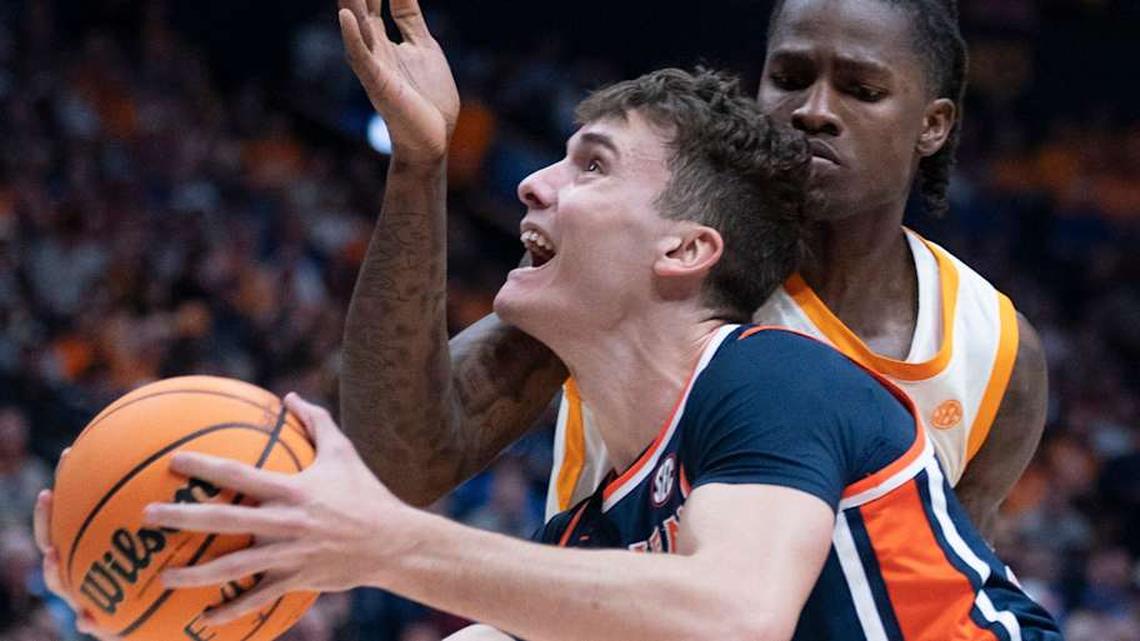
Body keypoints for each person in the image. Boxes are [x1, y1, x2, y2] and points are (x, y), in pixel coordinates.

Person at [47, 64, 1061, 641]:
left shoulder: (771, 378)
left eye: (590, 164)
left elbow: (735, 614)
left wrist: (383, 542)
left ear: (684, 249)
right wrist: (136, 602)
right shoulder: (599, 545)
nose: (530, 183)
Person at [338, 0, 1048, 536]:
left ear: (934, 123)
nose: (814, 111)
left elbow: (939, 600)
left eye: (861, 90)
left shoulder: (999, 356)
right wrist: (418, 166)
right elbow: (403, 461)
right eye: (790, 77)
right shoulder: (647, 247)